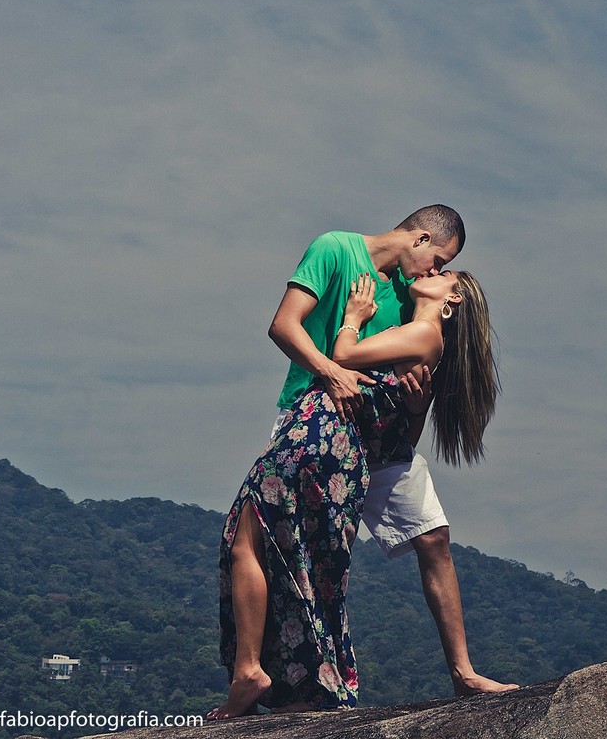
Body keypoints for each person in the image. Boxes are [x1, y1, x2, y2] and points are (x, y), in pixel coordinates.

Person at [210, 266, 498, 716]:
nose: (434, 270)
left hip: (322, 439)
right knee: (303, 562)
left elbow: (342, 353)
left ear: (453, 300)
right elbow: (401, 433)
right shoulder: (416, 335)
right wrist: (417, 406)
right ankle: (293, 684)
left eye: (446, 271)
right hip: (343, 447)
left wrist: (354, 316)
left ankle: (253, 671)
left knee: (252, 539)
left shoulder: (423, 334)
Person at [266, 206, 516, 700]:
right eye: (438, 260)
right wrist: (332, 371)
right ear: (421, 238)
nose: (435, 273)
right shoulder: (334, 249)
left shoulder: (411, 291)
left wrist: (418, 401)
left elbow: (406, 380)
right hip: (318, 424)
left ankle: (464, 673)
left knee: (435, 537)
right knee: (298, 553)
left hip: (381, 440)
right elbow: (283, 326)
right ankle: (278, 683)